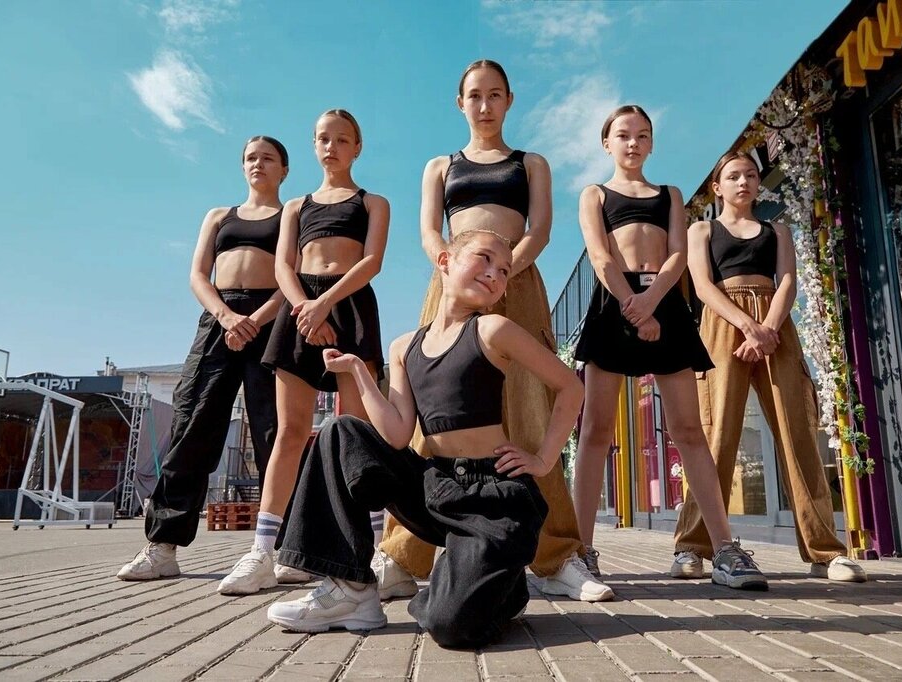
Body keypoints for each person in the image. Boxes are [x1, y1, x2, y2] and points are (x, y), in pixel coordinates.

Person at [266, 230, 584, 648]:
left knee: (449, 627)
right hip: (436, 486)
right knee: (340, 432)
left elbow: (570, 387)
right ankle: (352, 589)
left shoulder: (493, 329)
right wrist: (358, 372)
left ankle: (499, 586)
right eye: (484, 258)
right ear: (445, 261)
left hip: (492, 499)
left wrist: (542, 459)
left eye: (504, 270)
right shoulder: (404, 347)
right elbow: (398, 435)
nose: (495, 274)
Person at [375, 59, 612, 603]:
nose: (485, 106)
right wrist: (462, 273)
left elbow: (541, 229)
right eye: (475, 96)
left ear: (509, 101)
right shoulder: (440, 165)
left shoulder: (531, 163)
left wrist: (500, 273)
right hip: (453, 283)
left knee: (531, 411)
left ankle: (556, 557)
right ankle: (403, 556)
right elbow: (429, 231)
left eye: (495, 95)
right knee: (435, 412)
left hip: (517, 283)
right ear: (460, 103)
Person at [571, 107, 767, 590]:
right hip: (613, 304)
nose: (632, 143)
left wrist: (652, 302)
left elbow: (678, 254)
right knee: (595, 431)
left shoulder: (670, 194)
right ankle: (580, 550)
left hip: (665, 306)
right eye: (623, 135)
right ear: (607, 143)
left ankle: (724, 549)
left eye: (642, 136)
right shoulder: (595, 194)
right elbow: (600, 256)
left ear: (652, 144)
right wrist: (632, 307)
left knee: (689, 430)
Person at [217, 110, 390, 595]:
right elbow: (283, 267)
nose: (332, 147)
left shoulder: (373, 202)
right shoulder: (295, 206)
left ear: (357, 147)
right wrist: (304, 309)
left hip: (349, 306)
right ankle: (262, 553)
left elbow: (372, 261)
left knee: (354, 434)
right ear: (314, 146)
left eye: (342, 140)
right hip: (300, 312)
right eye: (323, 139)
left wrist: (326, 304)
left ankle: (373, 549)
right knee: (290, 432)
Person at [673, 150, 867, 583]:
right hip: (723, 325)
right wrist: (747, 327)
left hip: (776, 329)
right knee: (715, 435)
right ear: (717, 187)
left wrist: (767, 330)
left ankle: (825, 552)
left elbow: (788, 282)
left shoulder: (777, 231)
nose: (743, 182)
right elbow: (702, 286)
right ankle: (692, 547)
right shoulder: (701, 229)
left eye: (750, 175)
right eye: (733, 176)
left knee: (799, 434)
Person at [117, 136, 289, 581]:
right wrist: (227, 317)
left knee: (274, 431)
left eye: (268, 158)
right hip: (219, 319)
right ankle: (163, 546)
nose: (258, 164)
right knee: (192, 425)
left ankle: (284, 549)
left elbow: (294, 277)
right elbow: (198, 274)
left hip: (270, 321)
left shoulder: (292, 214)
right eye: (250, 158)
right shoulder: (218, 216)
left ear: (284, 170)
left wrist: (255, 320)